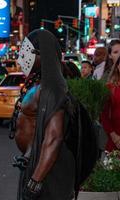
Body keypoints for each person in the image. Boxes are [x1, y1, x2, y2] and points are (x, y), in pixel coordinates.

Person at [15, 29, 86, 200]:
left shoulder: (52, 89)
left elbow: (54, 138)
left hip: (49, 174)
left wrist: (35, 182)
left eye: (25, 52)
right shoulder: (43, 84)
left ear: (42, 55)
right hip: (38, 165)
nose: (20, 59)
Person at [101, 50, 120, 163]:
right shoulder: (109, 88)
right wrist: (114, 136)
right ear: (117, 66)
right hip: (114, 141)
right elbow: (103, 115)